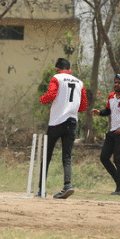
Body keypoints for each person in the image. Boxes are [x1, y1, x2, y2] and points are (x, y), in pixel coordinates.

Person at [39, 57, 88, 199]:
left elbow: (51, 95)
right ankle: (68, 185)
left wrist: (42, 99)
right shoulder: (80, 83)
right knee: (66, 156)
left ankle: (41, 189)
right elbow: (83, 106)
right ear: (70, 69)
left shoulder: (57, 78)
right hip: (72, 122)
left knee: (47, 155)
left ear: (58, 69)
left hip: (56, 122)